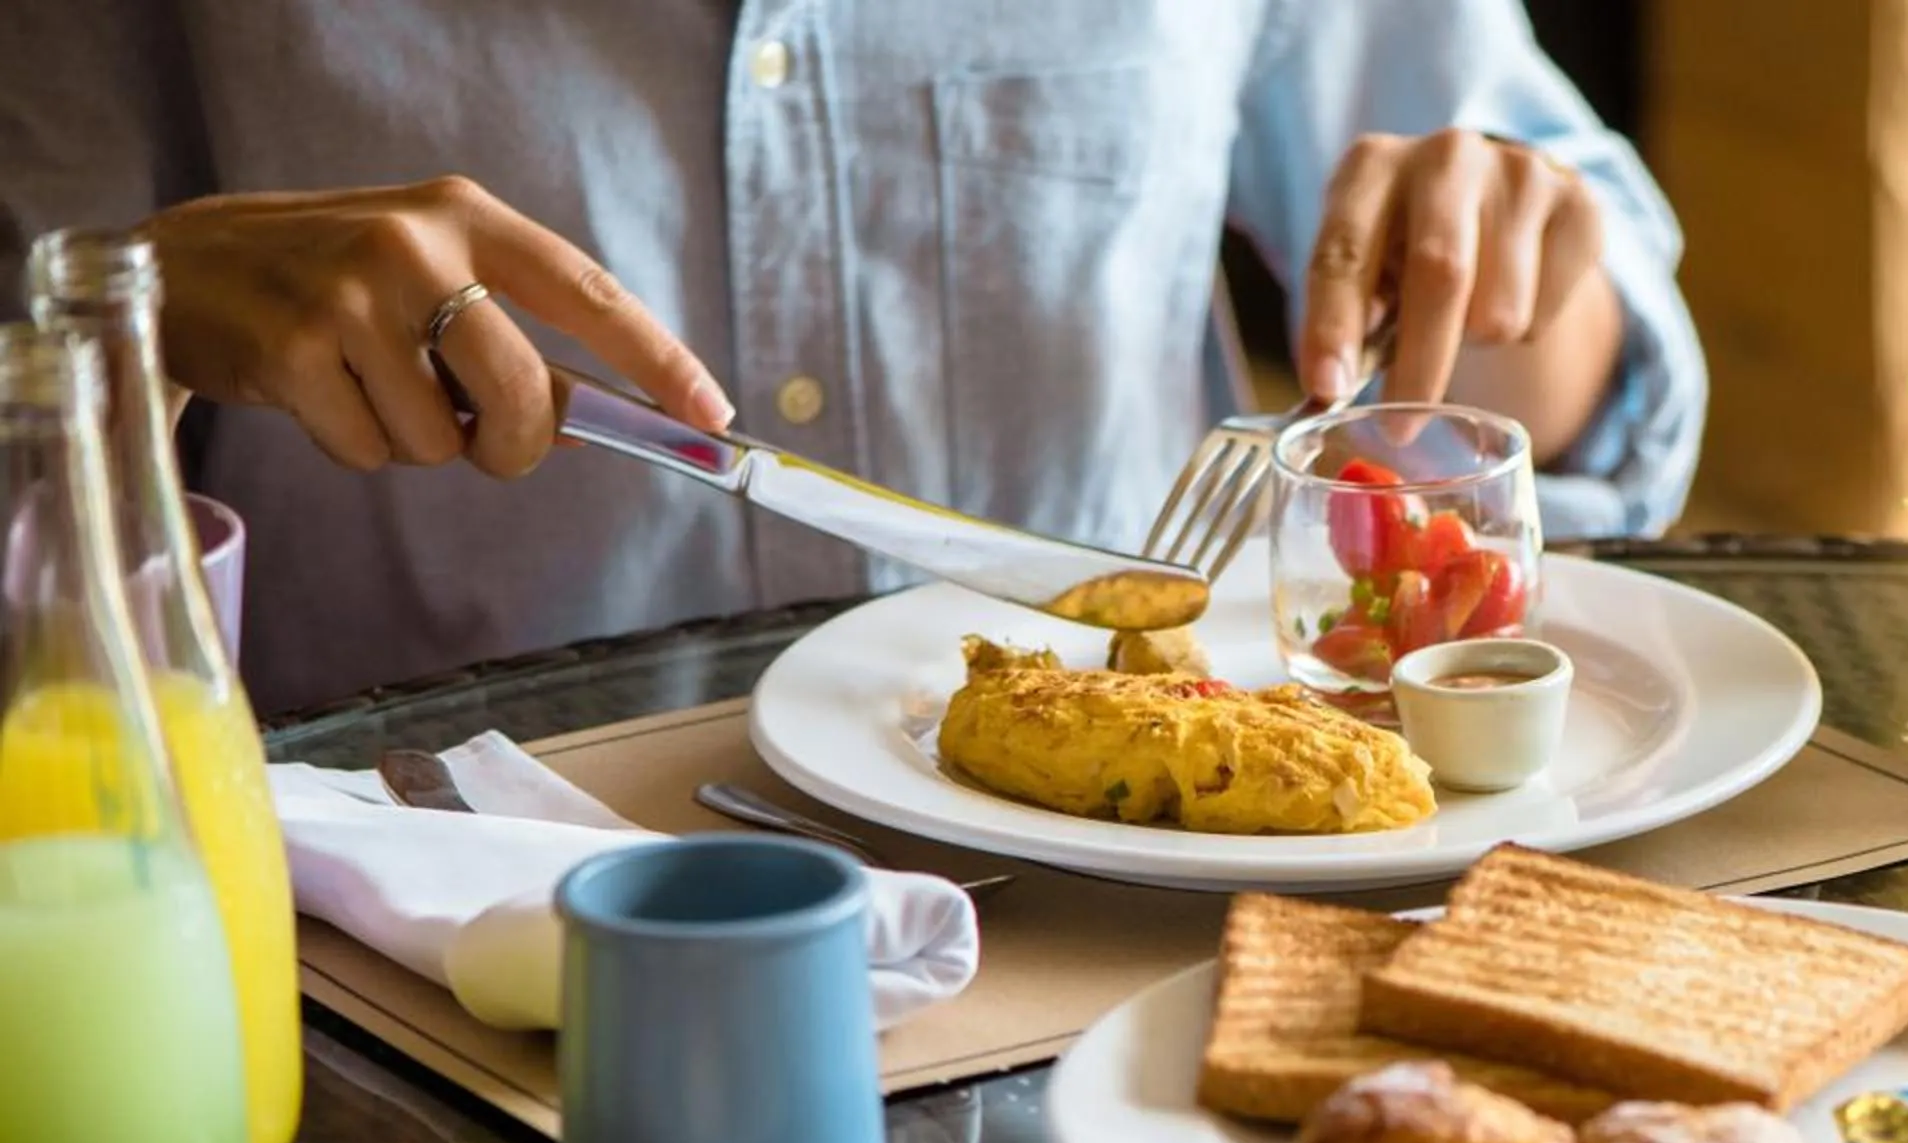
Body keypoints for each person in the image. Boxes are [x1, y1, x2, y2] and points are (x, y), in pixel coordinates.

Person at [1, 4, 1705, 712]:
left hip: (1139, 902)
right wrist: (131, 313)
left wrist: (1506, 286)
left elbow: (1574, 412)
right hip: (416, 935)